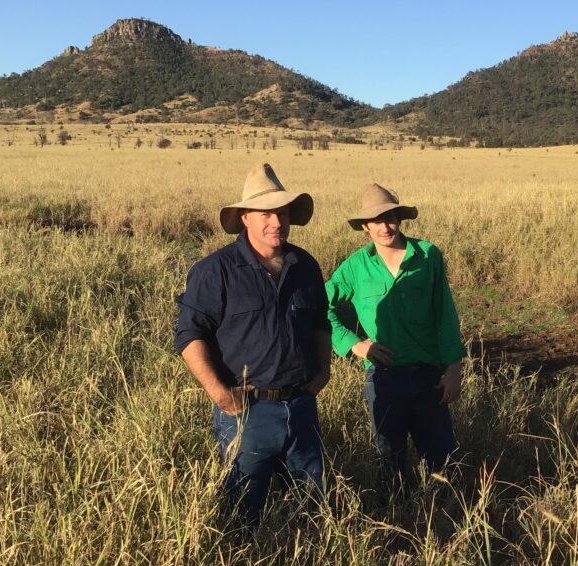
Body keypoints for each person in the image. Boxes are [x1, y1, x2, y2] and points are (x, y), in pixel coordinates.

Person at [174, 164, 331, 526]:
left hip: (301, 405)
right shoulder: (215, 271)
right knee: (243, 511)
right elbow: (189, 335)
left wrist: (323, 370)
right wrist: (218, 392)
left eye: (283, 212)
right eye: (266, 213)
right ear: (245, 218)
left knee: (313, 508)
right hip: (246, 410)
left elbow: (320, 324)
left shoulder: (305, 265)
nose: (277, 221)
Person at [325, 183, 466, 495]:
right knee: (389, 462)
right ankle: (396, 519)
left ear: (400, 219)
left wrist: (454, 367)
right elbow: (322, 307)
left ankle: (447, 521)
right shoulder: (355, 267)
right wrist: (354, 343)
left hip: (429, 375)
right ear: (365, 226)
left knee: (443, 460)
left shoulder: (428, 255)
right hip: (384, 378)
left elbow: (445, 314)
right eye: (377, 220)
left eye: (390, 217)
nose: (385, 226)